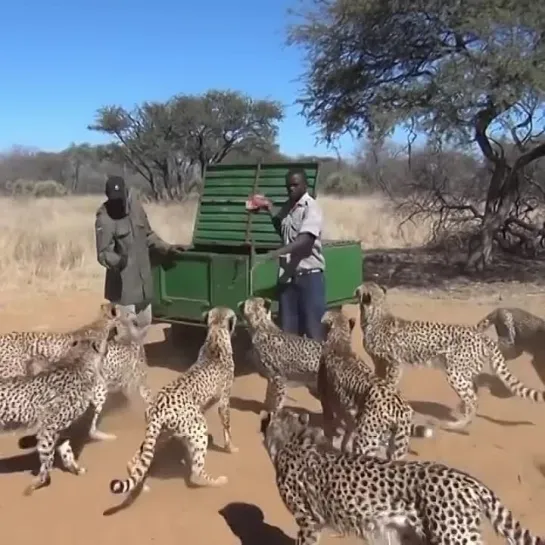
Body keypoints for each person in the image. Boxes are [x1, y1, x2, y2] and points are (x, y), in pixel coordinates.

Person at [94, 175, 186, 338]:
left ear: (125, 193)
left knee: (145, 322)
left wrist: (167, 248)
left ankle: (134, 357)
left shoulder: (136, 208)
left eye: (119, 198)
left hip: (143, 280)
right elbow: (102, 253)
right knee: (125, 330)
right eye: (113, 199)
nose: (117, 202)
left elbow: (148, 235)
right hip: (123, 286)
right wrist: (118, 261)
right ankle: (120, 360)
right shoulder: (104, 219)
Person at [251, 167, 326, 340]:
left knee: (315, 332)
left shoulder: (311, 207)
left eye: (295, 185)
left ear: (305, 185)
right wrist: (268, 208)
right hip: (288, 278)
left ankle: (320, 367)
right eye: (288, 186)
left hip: (309, 277)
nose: (291, 189)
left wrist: (275, 254)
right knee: (289, 335)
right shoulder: (288, 207)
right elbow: (283, 231)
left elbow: (305, 240)